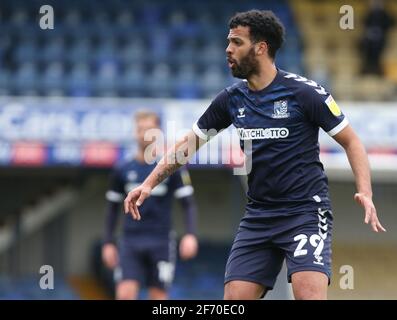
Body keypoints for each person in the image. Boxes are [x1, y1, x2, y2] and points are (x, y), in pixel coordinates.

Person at [124, 10, 386, 300]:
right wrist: (149, 183)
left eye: (236, 42)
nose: (228, 49)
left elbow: (352, 142)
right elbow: (189, 144)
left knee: (308, 295)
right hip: (259, 216)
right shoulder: (230, 100)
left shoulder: (304, 93)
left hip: (305, 212)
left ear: (261, 48)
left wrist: (365, 191)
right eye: (228, 42)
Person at [102, 110, 198, 300]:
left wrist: (190, 235)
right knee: (125, 294)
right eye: (140, 129)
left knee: (159, 296)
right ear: (135, 132)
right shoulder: (122, 169)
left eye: (149, 129)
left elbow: (188, 204)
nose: (144, 133)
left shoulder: (172, 167)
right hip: (130, 240)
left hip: (161, 240)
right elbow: (112, 209)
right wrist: (108, 243)